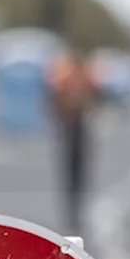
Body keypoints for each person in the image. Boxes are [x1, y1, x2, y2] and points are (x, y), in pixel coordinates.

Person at [45, 48, 99, 235]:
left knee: (79, 171)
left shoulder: (80, 77)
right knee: (71, 171)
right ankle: (71, 212)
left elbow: (95, 94)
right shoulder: (66, 77)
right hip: (69, 125)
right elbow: (53, 97)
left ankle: (76, 211)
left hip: (78, 125)